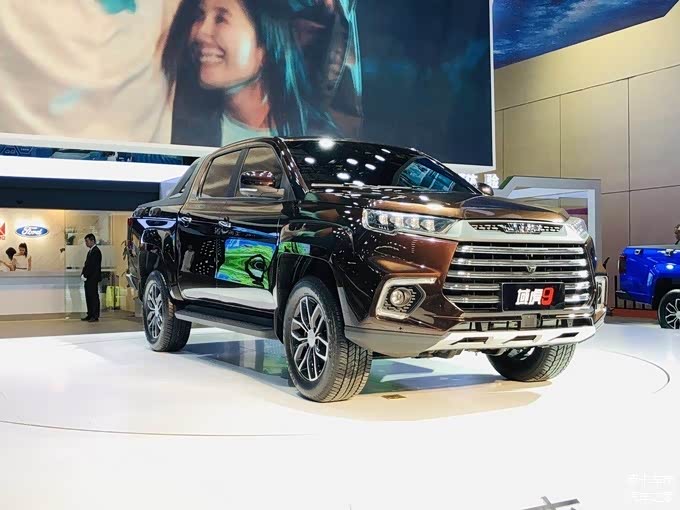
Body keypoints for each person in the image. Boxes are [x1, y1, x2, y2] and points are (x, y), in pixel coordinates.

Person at [162, 0, 340, 146]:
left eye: (221, 19)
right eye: (200, 15)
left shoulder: (317, 142)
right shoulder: (180, 123)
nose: (200, 32)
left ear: (266, 44)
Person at [81, 234, 102, 323]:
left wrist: (86, 275)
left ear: (92, 241)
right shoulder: (90, 251)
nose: (86, 243)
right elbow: (86, 264)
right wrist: (83, 274)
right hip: (88, 278)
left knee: (93, 296)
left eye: (87, 241)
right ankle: (90, 314)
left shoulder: (96, 251)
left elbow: (92, 266)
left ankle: (95, 315)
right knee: (88, 296)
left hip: (93, 278)